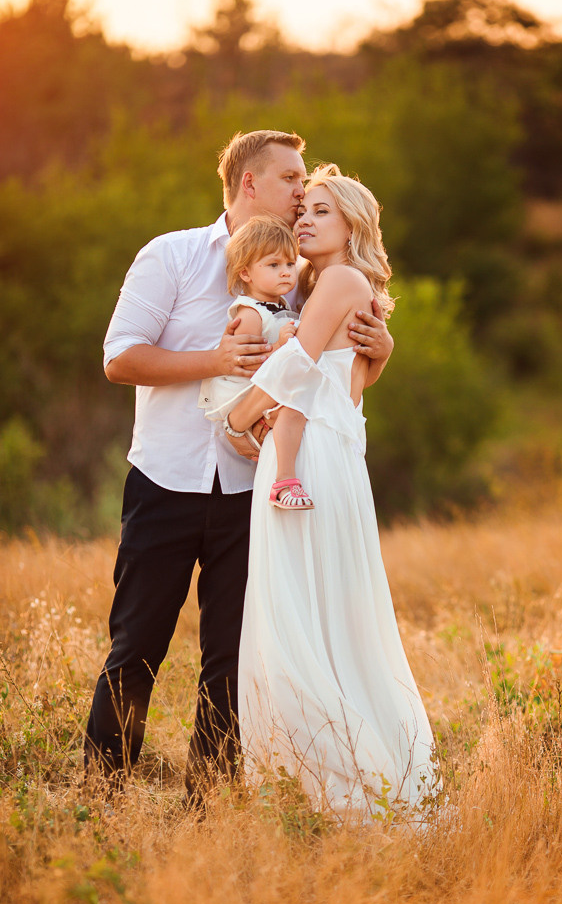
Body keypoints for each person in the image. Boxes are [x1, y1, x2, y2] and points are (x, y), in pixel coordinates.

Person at [84, 130, 394, 799]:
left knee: (231, 658)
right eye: (291, 180)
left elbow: (327, 374)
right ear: (249, 184)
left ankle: (209, 807)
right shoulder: (170, 256)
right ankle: (100, 799)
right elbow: (119, 359)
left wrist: (382, 346)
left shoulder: (304, 277)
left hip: (253, 490)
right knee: (136, 646)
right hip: (165, 480)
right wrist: (216, 363)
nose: (301, 194)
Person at [226, 164, 437, 818]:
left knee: (296, 616)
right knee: (321, 615)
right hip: (329, 454)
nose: (305, 219)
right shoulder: (332, 286)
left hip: (312, 457)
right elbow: (350, 381)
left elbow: (298, 367)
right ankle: (332, 772)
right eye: (304, 209)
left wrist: (237, 416)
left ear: (352, 224)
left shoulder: (341, 279)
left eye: (321, 210)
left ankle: (333, 778)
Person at [198, 213, 314, 510]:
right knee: (292, 411)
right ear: (246, 273)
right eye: (273, 265)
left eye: (290, 264)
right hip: (240, 392)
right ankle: (284, 482)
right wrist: (278, 347)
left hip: (265, 387)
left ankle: (287, 479)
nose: (286, 272)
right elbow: (244, 364)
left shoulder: (282, 305)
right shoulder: (250, 313)